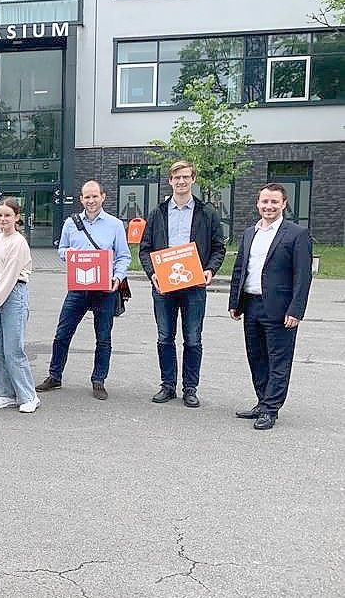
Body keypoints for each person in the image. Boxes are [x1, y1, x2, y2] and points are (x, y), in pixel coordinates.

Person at [138, 161, 226, 408]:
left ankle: (190, 388)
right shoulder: (158, 212)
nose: (181, 182)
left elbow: (219, 247)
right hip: (164, 286)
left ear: (193, 180)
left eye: (186, 177)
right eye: (176, 177)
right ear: (170, 181)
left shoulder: (206, 212)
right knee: (165, 337)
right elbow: (145, 249)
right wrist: (152, 273)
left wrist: (210, 269)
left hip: (194, 286)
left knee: (193, 339)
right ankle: (167, 386)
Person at [229, 183, 313, 431]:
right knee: (256, 356)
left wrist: (296, 310)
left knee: (278, 359)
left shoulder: (296, 234)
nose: (269, 206)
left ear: (284, 204)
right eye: (265, 201)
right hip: (251, 304)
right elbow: (239, 269)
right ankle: (261, 401)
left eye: (274, 202)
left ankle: (271, 409)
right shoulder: (249, 233)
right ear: (258, 203)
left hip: (280, 308)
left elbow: (302, 276)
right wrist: (235, 302)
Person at [37, 180, 131, 400]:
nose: (91, 201)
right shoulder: (71, 223)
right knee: (62, 334)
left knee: (103, 337)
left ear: (103, 197)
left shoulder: (115, 225)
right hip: (78, 287)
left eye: (95, 196)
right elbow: (61, 249)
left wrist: (117, 277)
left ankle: (99, 380)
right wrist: (72, 256)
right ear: (81, 199)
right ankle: (55, 375)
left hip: (105, 289)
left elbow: (124, 255)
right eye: (87, 197)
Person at [0, 198, 40, 413]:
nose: (3, 219)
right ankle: (3, 393)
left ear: (17, 217)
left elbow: (9, 277)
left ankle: (28, 396)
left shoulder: (18, 242)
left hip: (13, 294)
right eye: (0, 215)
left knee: (13, 350)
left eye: (7, 215)